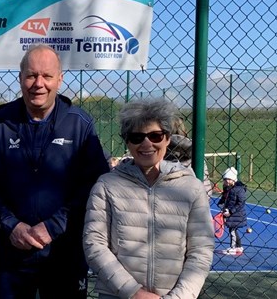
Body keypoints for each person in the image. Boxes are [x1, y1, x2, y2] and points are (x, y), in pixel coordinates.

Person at [0, 44, 109, 299]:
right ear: (20, 78)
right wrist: (11, 225)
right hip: (10, 254)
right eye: (31, 75)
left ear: (59, 79)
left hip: (64, 253)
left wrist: (54, 226)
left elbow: (94, 186)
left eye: (47, 76)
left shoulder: (80, 125)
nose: (39, 83)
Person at [83, 98, 214, 299]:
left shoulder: (191, 188)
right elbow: (94, 244)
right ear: (127, 141)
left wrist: (178, 297)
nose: (147, 143)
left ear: (168, 138)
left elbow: (201, 250)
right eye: (136, 137)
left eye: (155, 136)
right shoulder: (106, 186)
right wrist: (133, 292)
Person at [167, 117, 213, 196]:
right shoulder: (196, 152)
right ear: (184, 130)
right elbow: (206, 189)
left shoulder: (159, 153)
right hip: (196, 199)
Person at [218, 167, 247, 255]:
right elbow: (225, 198)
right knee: (233, 230)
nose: (225, 181)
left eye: (226, 179)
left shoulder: (239, 189)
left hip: (236, 214)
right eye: (224, 179)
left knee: (232, 230)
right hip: (231, 214)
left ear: (232, 179)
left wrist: (230, 211)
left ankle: (233, 247)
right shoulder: (227, 188)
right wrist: (221, 204)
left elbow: (240, 202)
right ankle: (239, 247)